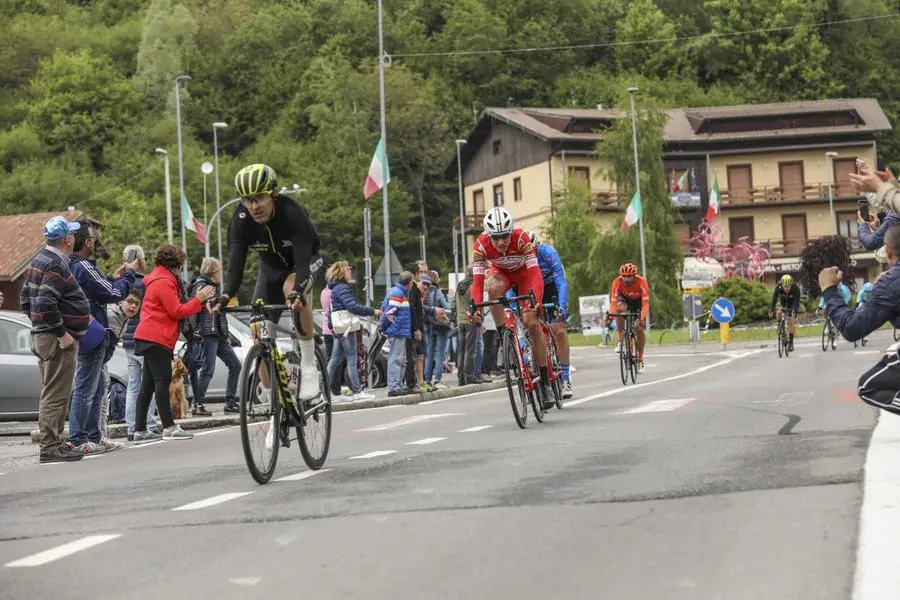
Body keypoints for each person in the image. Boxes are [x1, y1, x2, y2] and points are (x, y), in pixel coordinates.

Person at [214, 163, 322, 402]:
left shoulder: (292, 213)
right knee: (259, 334)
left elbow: (303, 262)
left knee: (290, 290)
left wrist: (297, 292)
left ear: (273, 193)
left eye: (260, 198)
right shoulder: (241, 221)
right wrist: (224, 295)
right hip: (270, 270)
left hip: (302, 263)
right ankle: (274, 404)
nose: (254, 206)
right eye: (248, 200)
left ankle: (308, 364)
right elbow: (236, 267)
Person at [20, 217, 91, 463]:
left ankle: (57, 443)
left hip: (44, 334)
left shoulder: (38, 260)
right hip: (56, 338)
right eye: (71, 235)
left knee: (55, 390)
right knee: (56, 393)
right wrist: (62, 333)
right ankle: (51, 446)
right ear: (67, 239)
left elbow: (25, 300)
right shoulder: (55, 264)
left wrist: (39, 323)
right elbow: (46, 302)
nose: (73, 238)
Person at [470, 207, 553, 408]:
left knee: (532, 323)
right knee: (494, 287)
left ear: (511, 232)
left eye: (504, 236)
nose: (500, 242)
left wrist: (537, 301)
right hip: (502, 276)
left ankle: (545, 382)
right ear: (488, 235)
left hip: (526, 277)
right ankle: (503, 332)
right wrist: (476, 308)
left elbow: (535, 274)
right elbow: (478, 281)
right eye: (495, 237)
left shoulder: (522, 238)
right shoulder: (480, 245)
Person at [133, 245, 216, 443]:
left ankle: (140, 430)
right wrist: (199, 299)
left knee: (148, 384)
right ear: (178, 265)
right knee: (163, 382)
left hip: (150, 335)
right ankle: (169, 427)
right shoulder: (164, 281)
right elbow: (176, 311)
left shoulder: (158, 278)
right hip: (157, 336)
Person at [67, 221, 138, 454]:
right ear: (87, 242)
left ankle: (94, 436)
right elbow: (113, 293)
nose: (95, 242)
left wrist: (112, 276)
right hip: (91, 333)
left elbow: (101, 284)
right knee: (86, 389)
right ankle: (78, 439)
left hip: (85, 333)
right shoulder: (82, 266)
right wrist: (129, 274)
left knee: (97, 388)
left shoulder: (71, 266)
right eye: (93, 239)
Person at [820, 225, 900, 415]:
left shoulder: (889, 283)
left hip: (864, 304)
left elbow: (852, 328)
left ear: (888, 252)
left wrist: (829, 290)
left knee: (868, 386)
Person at [189, 258, 242, 414]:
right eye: (219, 270)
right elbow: (194, 309)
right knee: (208, 369)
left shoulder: (212, 287)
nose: (221, 274)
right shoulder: (202, 286)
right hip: (207, 334)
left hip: (218, 334)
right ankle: (197, 404)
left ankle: (230, 402)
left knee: (235, 365)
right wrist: (192, 334)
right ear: (212, 272)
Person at [325, 261, 380, 401]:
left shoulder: (334, 288)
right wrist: (372, 311)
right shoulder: (342, 288)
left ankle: (324, 390)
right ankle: (357, 391)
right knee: (351, 358)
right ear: (342, 272)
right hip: (347, 328)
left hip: (339, 328)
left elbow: (331, 311)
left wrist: (332, 328)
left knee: (335, 359)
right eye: (348, 270)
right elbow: (352, 307)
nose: (350, 272)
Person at [529, 231, 573, 398]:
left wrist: (561, 306)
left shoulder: (548, 253)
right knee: (532, 329)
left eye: (532, 251)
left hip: (552, 289)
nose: (529, 255)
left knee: (559, 331)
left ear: (536, 246)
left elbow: (561, 282)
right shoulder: (522, 258)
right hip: (533, 291)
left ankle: (566, 378)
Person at [610, 263, 650, 373]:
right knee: (618, 309)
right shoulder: (617, 282)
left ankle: (640, 359)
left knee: (639, 328)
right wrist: (611, 315)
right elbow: (613, 301)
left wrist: (642, 317)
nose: (626, 279)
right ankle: (620, 340)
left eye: (629, 276)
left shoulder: (641, 282)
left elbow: (646, 303)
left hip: (638, 302)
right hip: (625, 299)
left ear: (634, 276)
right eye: (624, 276)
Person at [380, 271, 414, 396]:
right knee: (396, 359)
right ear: (409, 282)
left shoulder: (400, 293)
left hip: (400, 331)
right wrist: (382, 327)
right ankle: (394, 386)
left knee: (401, 359)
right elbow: (389, 313)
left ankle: (399, 384)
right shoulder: (398, 294)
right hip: (396, 331)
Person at [424, 270, 452, 390]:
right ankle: (437, 379)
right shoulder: (438, 292)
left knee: (429, 353)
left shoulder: (424, 293)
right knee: (440, 353)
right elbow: (448, 307)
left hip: (430, 325)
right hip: (441, 325)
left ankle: (427, 379)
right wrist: (450, 298)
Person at [770, 274, 802, 351]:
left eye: (788, 287)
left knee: (791, 319)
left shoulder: (795, 288)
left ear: (791, 285)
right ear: (782, 285)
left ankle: (791, 343)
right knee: (779, 311)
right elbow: (774, 299)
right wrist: (771, 309)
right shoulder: (778, 287)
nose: (786, 288)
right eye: (785, 286)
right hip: (782, 299)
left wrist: (795, 311)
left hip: (792, 300)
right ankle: (779, 325)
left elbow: (797, 302)